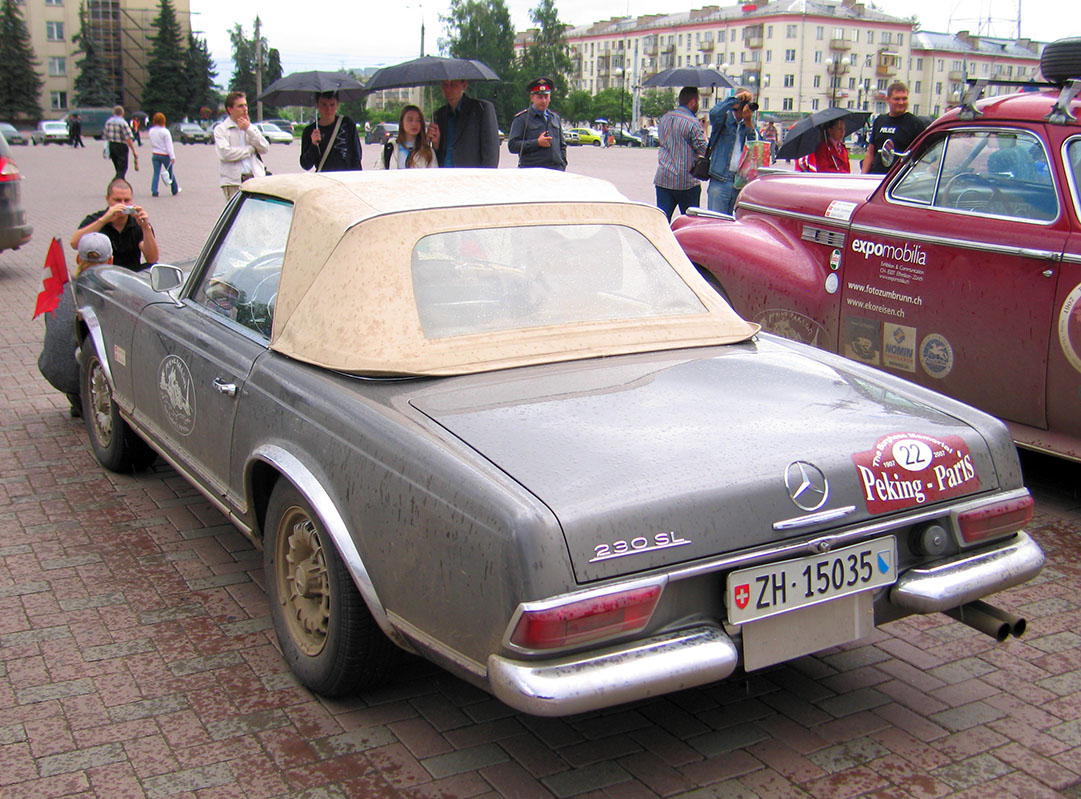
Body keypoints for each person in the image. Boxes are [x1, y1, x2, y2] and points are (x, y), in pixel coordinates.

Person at [39, 233, 114, 418]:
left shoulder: (60, 289)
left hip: (53, 369)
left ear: (78, 258)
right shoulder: (108, 294)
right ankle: (89, 401)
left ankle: (76, 398)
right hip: (82, 373)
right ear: (111, 260)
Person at [70, 178, 159, 269]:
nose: (123, 204)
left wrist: (145, 227)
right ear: (107, 199)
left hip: (131, 275)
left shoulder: (137, 223)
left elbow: (152, 259)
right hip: (101, 275)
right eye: (117, 200)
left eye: (127, 200)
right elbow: (75, 244)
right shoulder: (96, 219)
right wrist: (103, 220)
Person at [653, 86, 708, 221]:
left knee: (662, 221)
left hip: (663, 178)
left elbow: (662, 141)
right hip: (686, 182)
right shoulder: (692, 122)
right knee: (690, 223)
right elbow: (703, 149)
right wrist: (705, 130)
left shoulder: (664, 118)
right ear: (693, 102)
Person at [706, 88, 758, 215]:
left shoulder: (749, 123)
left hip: (740, 182)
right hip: (720, 178)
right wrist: (735, 99)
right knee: (716, 221)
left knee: (734, 227)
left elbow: (755, 147)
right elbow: (714, 113)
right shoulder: (724, 119)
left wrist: (748, 122)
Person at [427, 80, 499, 168]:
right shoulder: (438, 115)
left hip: (471, 176)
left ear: (464, 85)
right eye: (445, 85)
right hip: (444, 175)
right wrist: (436, 144)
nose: (448, 89)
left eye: (453, 85)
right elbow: (436, 157)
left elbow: (491, 153)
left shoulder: (481, 109)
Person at [214, 91, 270, 199]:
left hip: (255, 179)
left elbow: (265, 148)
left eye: (245, 105)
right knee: (237, 215)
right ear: (230, 109)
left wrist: (248, 129)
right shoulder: (221, 130)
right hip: (233, 182)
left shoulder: (251, 128)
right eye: (240, 106)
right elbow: (225, 153)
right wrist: (250, 150)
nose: (245, 109)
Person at [863, 82, 927, 174]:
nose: (901, 102)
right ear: (888, 99)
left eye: (904, 99)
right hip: (876, 176)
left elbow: (922, 155)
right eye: (897, 99)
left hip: (898, 179)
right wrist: (864, 176)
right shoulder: (880, 120)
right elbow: (870, 152)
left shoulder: (915, 123)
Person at [508, 77, 567, 171]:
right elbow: (512, 146)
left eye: (546, 97)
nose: (543, 101)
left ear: (550, 98)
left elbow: (562, 145)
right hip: (532, 171)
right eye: (540, 97)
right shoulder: (523, 118)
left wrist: (562, 164)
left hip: (556, 171)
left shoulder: (555, 118)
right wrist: (537, 143)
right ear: (532, 98)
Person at [300, 90, 363, 172]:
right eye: (324, 105)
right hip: (324, 178)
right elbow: (305, 165)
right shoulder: (310, 131)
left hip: (346, 177)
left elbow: (356, 155)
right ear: (317, 105)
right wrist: (313, 144)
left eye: (332, 105)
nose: (328, 109)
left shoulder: (347, 124)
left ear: (337, 105)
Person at [374, 105, 437, 169]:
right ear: (402, 122)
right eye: (410, 120)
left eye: (418, 120)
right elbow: (379, 173)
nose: (414, 124)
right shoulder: (390, 148)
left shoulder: (428, 151)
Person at [148, 112, 181, 196]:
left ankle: (154, 190)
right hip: (165, 155)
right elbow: (169, 145)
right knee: (170, 172)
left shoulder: (151, 131)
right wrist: (172, 156)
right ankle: (174, 189)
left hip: (155, 153)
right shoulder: (165, 131)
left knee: (156, 173)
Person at [104, 106, 139, 180]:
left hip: (112, 145)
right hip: (121, 146)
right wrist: (133, 151)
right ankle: (117, 183)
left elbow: (105, 135)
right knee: (123, 167)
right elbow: (128, 138)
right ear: (122, 113)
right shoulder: (123, 123)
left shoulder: (108, 122)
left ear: (113, 113)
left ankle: (119, 182)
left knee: (117, 167)